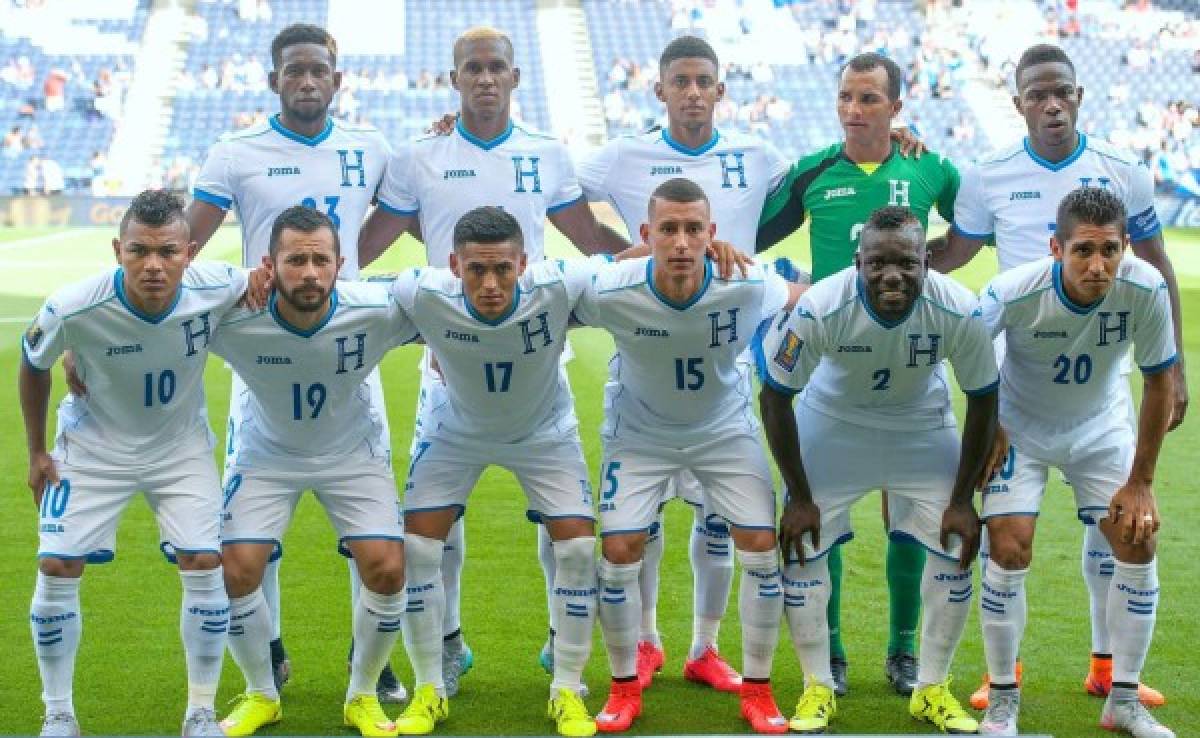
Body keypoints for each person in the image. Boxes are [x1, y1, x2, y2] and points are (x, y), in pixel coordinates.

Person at [357, 25, 630, 698]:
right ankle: (447, 642)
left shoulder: (545, 152)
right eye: (472, 68)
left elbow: (590, 240)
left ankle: (555, 637)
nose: (484, 78)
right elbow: (368, 246)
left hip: (538, 362)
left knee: (560, 524)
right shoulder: (419, 154)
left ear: (515, 77)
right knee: (436, 530)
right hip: (449, 366)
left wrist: (664, 262)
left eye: (496, 68)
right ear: (454, 80)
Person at [932, 43, 1182, 709]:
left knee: (1121, 531)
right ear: (1018, 104)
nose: (1051, 104)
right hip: (1020, 384)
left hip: (1100, 380)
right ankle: (999, 675)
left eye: (1062, 92)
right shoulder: (989, 176)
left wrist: (1175, 364)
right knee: (1010, 543)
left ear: (1078, 96)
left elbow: (1156, 264)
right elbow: (954, 255)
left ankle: (1108, 670)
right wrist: (885, 257)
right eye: (1037, 95)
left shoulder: (1122, 174)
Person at [187, 22, 402, 701]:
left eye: (319, 71)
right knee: (253, 524)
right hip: (265, 345)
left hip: (347, 348)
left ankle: (373, 661)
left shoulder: (371, 148)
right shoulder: (235, 151)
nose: (307, 82)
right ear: (273, 78)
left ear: (337, 79)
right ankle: (269, 649)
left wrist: (348, 278)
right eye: (294, 71)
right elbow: (183, 249)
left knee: (367, 519)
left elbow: (405, 214)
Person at [756, 51, 961, 698]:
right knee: (823, 516)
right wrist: (790, 293)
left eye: (869, 99)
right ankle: (834, 654)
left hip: (909, 357)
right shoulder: (816, 170)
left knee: (908, 513)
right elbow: (749, 233)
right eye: (846, 96)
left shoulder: (930, 166)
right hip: (830, 361)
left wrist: (934, 273)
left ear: (896, 107)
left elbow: (976, 227)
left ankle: (904, 653)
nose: (854, 110)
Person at [385, 206, 627, 737]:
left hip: (544, 431)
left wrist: (709, 255)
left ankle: (566, 688)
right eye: (476, 270)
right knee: (419, 549)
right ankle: (429, 689)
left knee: (580, 549)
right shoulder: (422, 292)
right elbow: (344, 293)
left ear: (525, 262)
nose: (490, 283)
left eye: (503, 269)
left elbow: (634, 267)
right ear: (454, 265)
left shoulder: (563, 282)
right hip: (454, 430)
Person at [757, 206, 998, 734]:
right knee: (802, 545)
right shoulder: (821, 306)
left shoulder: (960, 308)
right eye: (879, 263)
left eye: (907, 263)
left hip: (920, 425)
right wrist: (798, 496)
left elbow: (983, 398)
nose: (893, 275)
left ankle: (931, 688)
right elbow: (775, 397)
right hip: (835, 423)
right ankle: (817, 685)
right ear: (857, 261)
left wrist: (961, 499)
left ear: (927, 262)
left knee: (956, 544)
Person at [575, 178, 803, 734]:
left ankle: (758, 688)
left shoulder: (746, 282)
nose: (681, 242)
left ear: (712, 234)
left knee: (759, 545)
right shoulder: (610, 286)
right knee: (621, 546)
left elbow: (812, 299)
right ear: (647, 234)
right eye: (669, 230)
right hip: (639, 434)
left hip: (723, 432)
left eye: (693, 229)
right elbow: (537, 298)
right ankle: (624, 686)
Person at [19, 190, 250, 737]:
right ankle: (58, 714)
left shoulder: (218, 285)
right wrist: (35, 450)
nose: (153, 265)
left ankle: (199, 712)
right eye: (139, 251)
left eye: (167, 252)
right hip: (93, 447)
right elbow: (33, 364)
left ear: (190, 252)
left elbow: (268, 282)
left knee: (203, 563)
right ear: (117, 249)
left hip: (180, 448)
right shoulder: (73, 305)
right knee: (55, 565)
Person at [975, 187, 1177, 738]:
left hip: (1101, 426)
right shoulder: (1013, 292)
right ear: (1055, 248)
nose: (1097, 264)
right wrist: (988, 425)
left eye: (1109, 250)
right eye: (1083, 250)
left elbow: (1160, 381)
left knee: (1137, 537)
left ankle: (1124, 700)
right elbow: (967, 354)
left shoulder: (1145, 286)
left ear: (1125, 247)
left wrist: (1142, 481)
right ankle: (1002, 699)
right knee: (1009, 545)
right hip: (1021, 427)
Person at [210, 207, 415, 737]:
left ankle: (362, 696)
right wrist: (80, 354)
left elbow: (447, 298)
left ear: (340, 264)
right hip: (266, 456)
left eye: (320, 260)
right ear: (268, 265)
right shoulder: (235, 314)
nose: (309, 273)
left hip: (352, 456)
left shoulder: (376, 308)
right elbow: (163, 305)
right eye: (294, 260)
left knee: (389, 569)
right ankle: (261, 692)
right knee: (234, 571)